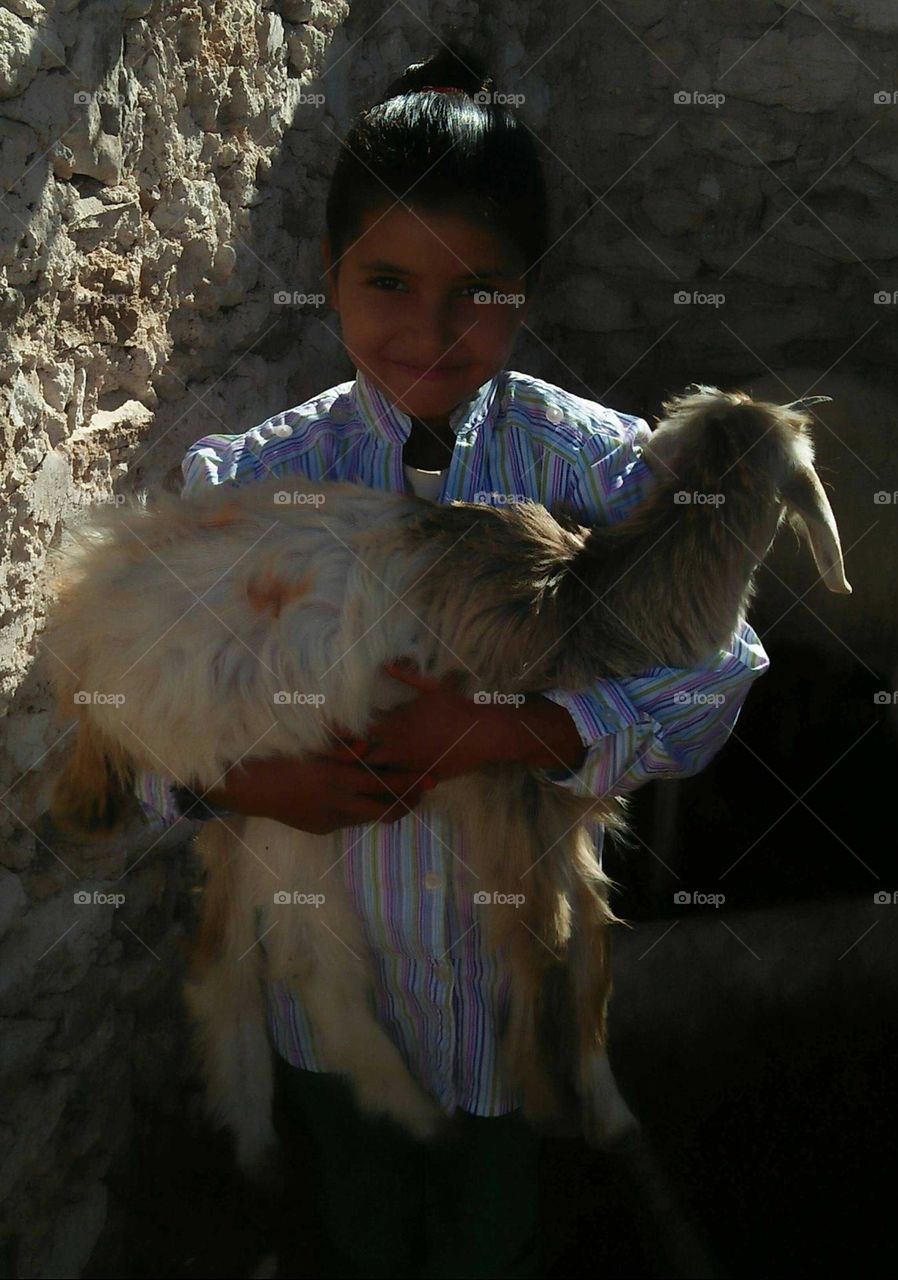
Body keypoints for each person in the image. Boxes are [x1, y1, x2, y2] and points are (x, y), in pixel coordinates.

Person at [134, 39, 769, 1280]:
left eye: (477, 289)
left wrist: (506, 733)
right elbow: (149, 725)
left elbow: (718, 671)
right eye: (386, 280)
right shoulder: (254, 484)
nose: (431, 329)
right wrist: (254, 785)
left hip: (507, 997)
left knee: (494, 1231)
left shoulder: (598, 472)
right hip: (331, 996)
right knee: (362, 1227)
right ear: (329, 276)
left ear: (526, 290)